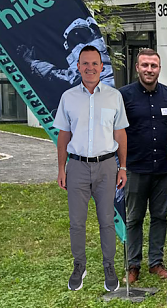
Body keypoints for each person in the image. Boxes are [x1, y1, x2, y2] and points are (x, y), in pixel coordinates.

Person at [54, 45, 128, 292]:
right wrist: (61, 168)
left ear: (102, 66)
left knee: (107, 221)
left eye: (95, 63)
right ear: (78, 67)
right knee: (77, 221)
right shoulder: (68, 97)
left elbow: (120, 133)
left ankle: (109, 266)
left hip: (107, 166)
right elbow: (64, 135)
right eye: (85, 63)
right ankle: (79, 265)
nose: (90, 68)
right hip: (76, 166)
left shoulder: (113, 96)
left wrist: (123, 167)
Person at [119, 49, 167, 283]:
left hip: (164, 169)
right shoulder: (123, 96)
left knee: (160, 217)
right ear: (137, 67)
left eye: (153, 66)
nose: (149, 70)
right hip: (135, 167)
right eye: (145, 65)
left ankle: (156, 262)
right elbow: (116, 132)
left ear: (159, 68)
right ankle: (133, 265)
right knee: (134, 218)